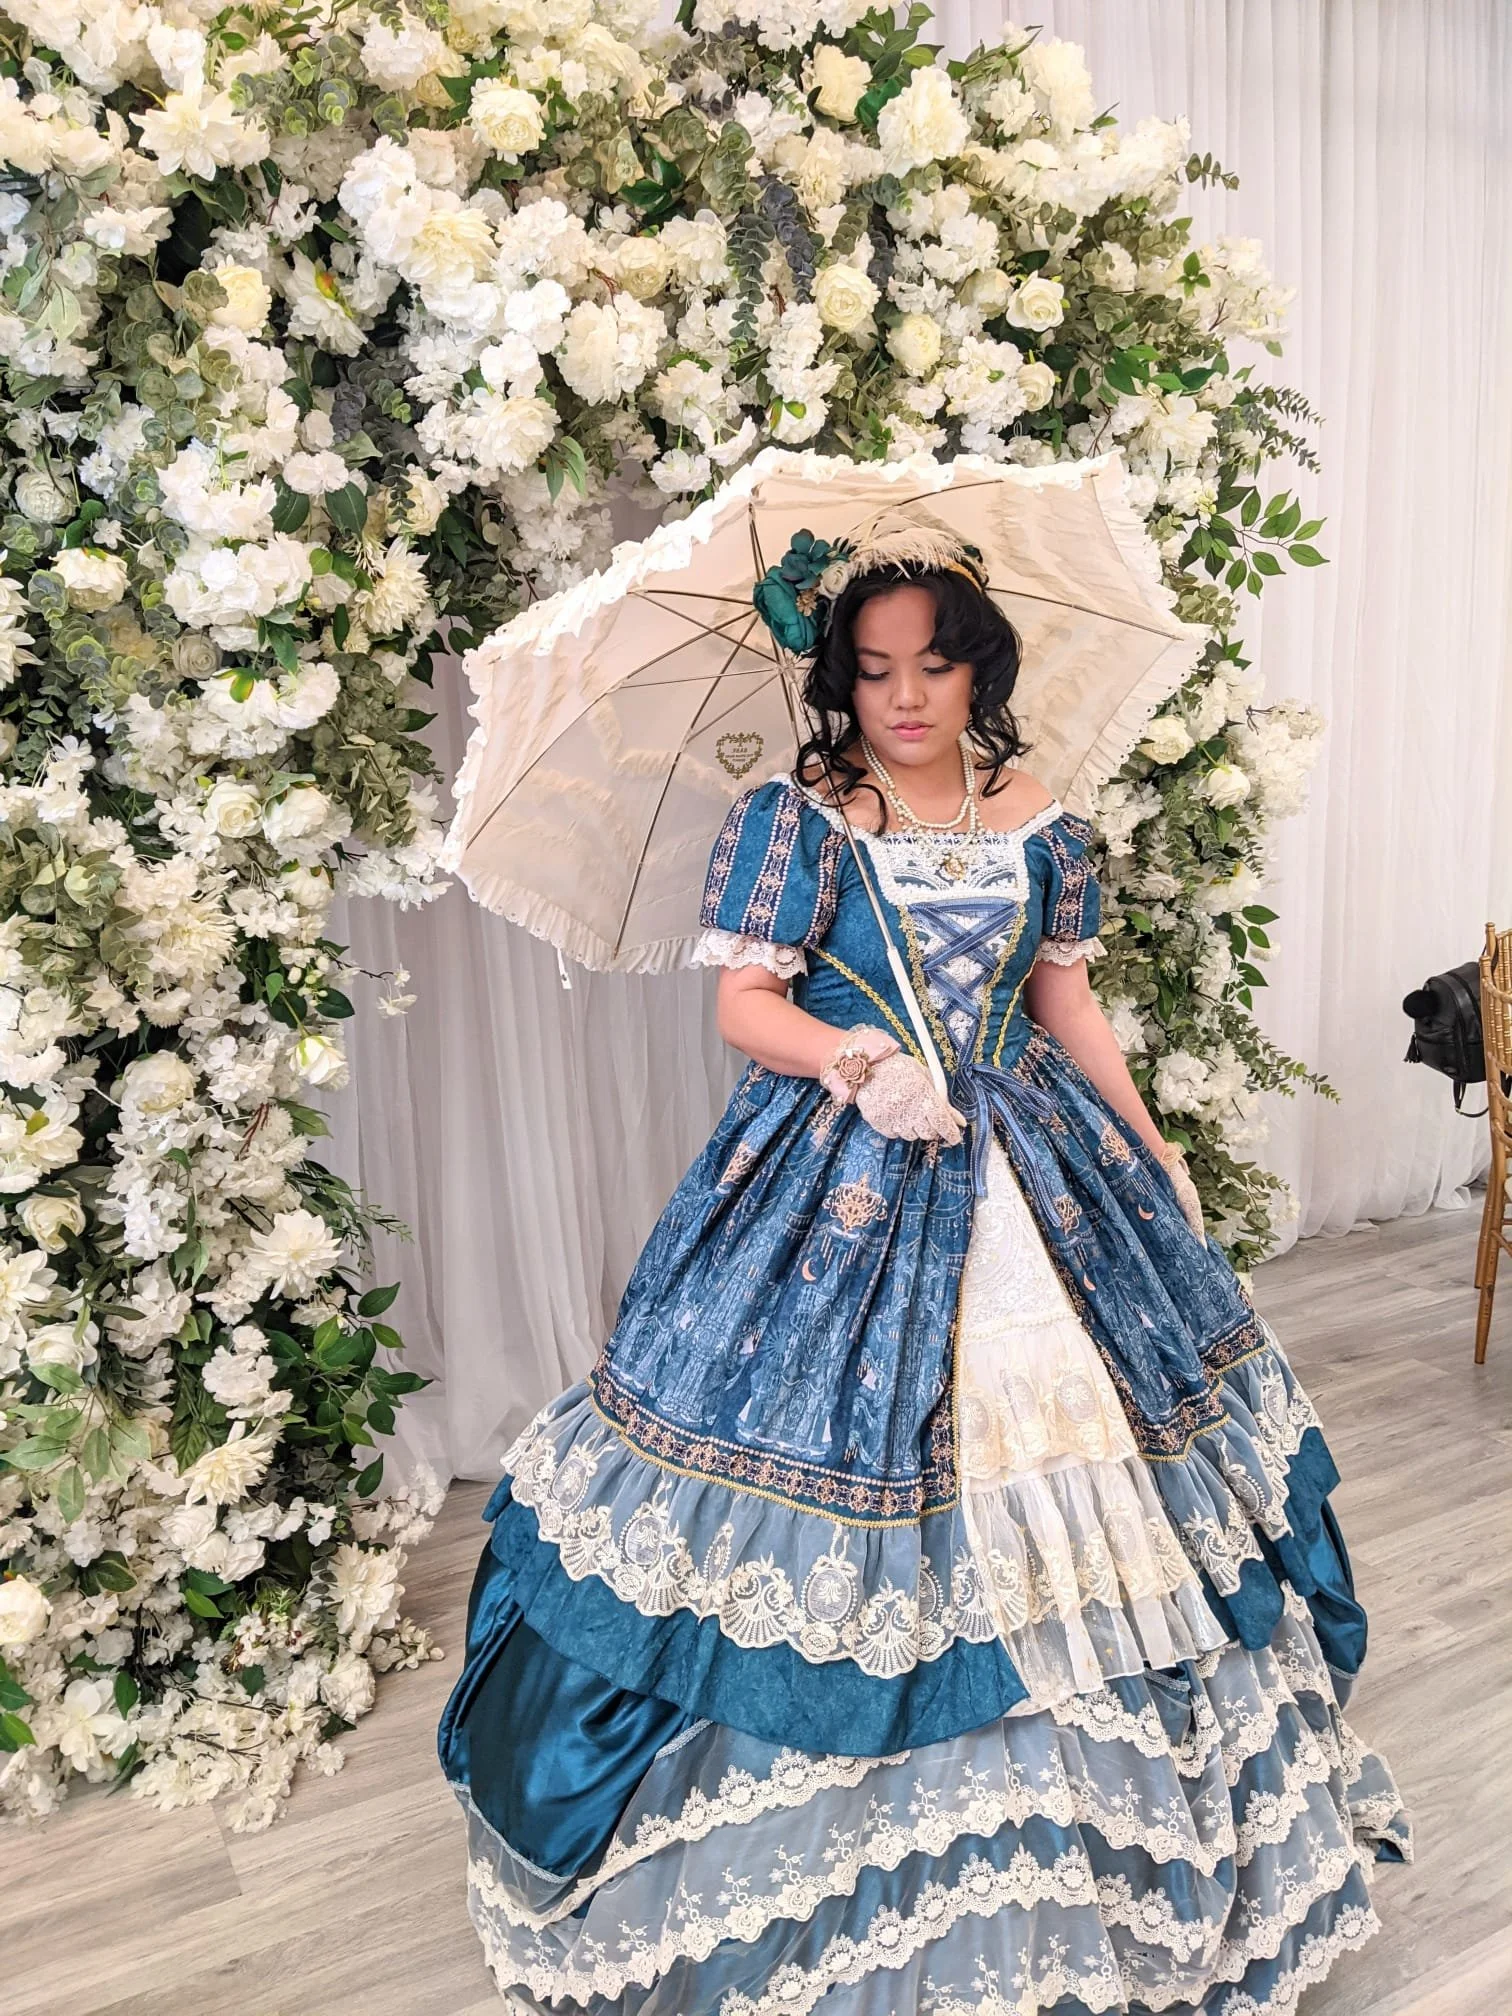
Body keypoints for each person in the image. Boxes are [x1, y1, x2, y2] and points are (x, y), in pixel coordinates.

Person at [437, 530, 1410, 2015]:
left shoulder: (1042, 821)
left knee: (1110, 1477)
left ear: (981, 670)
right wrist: (856, 1058)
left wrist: (1149, 1149)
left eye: (934, 664)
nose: (905, 695)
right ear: (841, 678)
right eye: (875, 668)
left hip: (1031, 1150)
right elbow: (745, 1007)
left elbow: (1063, 1000)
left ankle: (1123, 1836)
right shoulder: (798, 817)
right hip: (848, 1158)